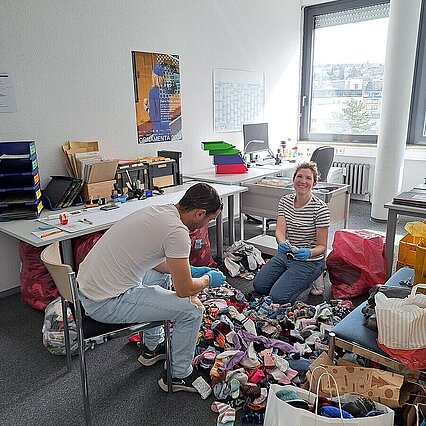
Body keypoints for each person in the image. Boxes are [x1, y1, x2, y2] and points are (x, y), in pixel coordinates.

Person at [76, 183, 226, 393]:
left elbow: (154, 262)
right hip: (105, 303)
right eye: (209, 220)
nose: (206, 225)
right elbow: (184, 290)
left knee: (161, 274)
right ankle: (179, 375)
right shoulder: (178, 232)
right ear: (199, 214)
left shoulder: (161, 211)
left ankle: (153, 346)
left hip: (88, 289)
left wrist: (189, 269)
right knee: (193, 310)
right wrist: (208, 279)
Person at [252, 162, 330, 304]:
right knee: (259, 286)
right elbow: (280, 231)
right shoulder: (285, 201)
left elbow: (322, 247)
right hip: (286, 255)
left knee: (277, 298)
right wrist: (281, 242)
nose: (303, 181)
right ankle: (290, 276)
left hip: (309, 261)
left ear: (314, 183)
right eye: (299, 176)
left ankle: (309, 279)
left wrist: (309, 252)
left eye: (308, 178)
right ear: (293, 180)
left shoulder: (320, 209)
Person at [143, 63, 171, 141]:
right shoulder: (165, 90)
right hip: (167, 129)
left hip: (158, 129)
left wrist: (146, 107)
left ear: (154, 76)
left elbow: (153, 114)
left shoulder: (152, 92)